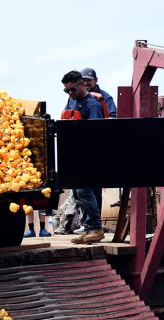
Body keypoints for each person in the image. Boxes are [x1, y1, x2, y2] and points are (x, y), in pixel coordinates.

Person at [61, 71, 105, 244]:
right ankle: (88, 229)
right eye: (66, 91)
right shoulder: (72, 100)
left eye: (72, 90)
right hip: (75, 154)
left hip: (89, 155)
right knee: (78, 194)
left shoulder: (92, 105)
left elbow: (96, 133)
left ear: (81, 85)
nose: (70, 94)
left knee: (85, 191)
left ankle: (96, 228)